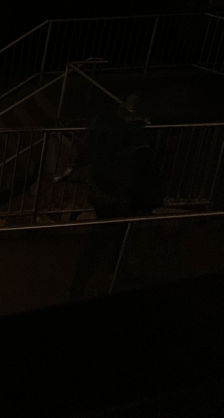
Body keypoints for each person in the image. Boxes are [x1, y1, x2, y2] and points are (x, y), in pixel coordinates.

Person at [62, 96, 160, 299]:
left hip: (99, 185)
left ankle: (110, 273)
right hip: (115, 192)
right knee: (102, 239)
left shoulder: (102, 123)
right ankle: (78, 287)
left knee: (114, 233)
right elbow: (135, 172)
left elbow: (88, 151)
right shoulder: (133, 135)